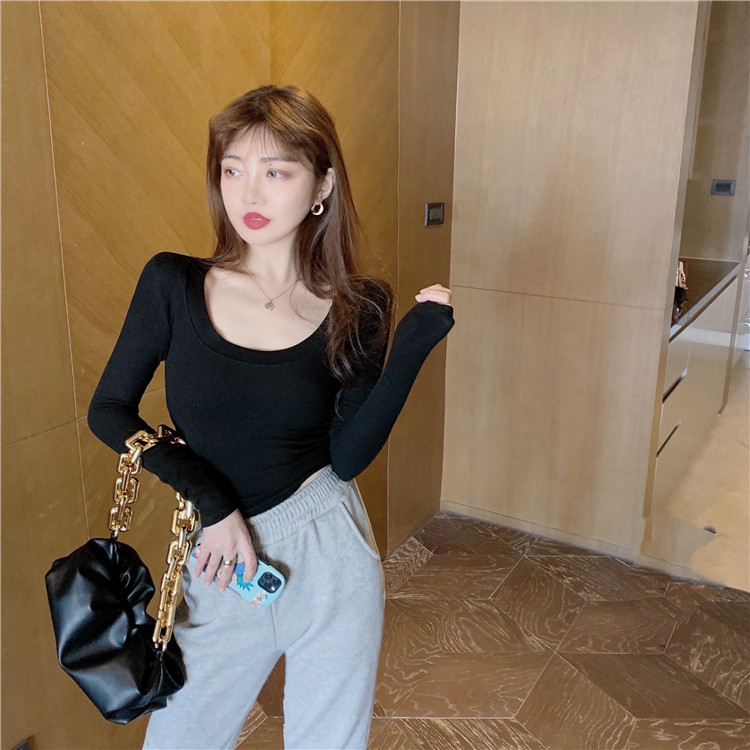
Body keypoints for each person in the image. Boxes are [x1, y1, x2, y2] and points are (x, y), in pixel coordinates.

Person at [88, 85, 454, 750]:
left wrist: (412, 346)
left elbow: (348, 456)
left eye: (275, 172)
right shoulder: (172, 283)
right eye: (232, 170)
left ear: (322, 185)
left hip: (329, 549)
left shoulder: (360, 305)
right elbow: (108, 410)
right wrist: (213, 499)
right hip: (220, 559)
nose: (247, 194)